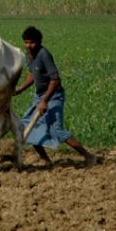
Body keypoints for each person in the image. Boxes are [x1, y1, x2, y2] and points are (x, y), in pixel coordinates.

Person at [15, 25, 98, 166]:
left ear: (39, 42)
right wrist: (21, 88)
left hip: (53, 96)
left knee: (56, 130)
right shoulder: (29, 55)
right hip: (40, 95)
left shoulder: (43, 54)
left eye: (32, 42)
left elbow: (55, 79)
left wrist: (45, 101)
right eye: (27, 42)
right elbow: (33, 74)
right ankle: (45, 160)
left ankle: (89, 156)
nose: (29, 45)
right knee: (26, 127)